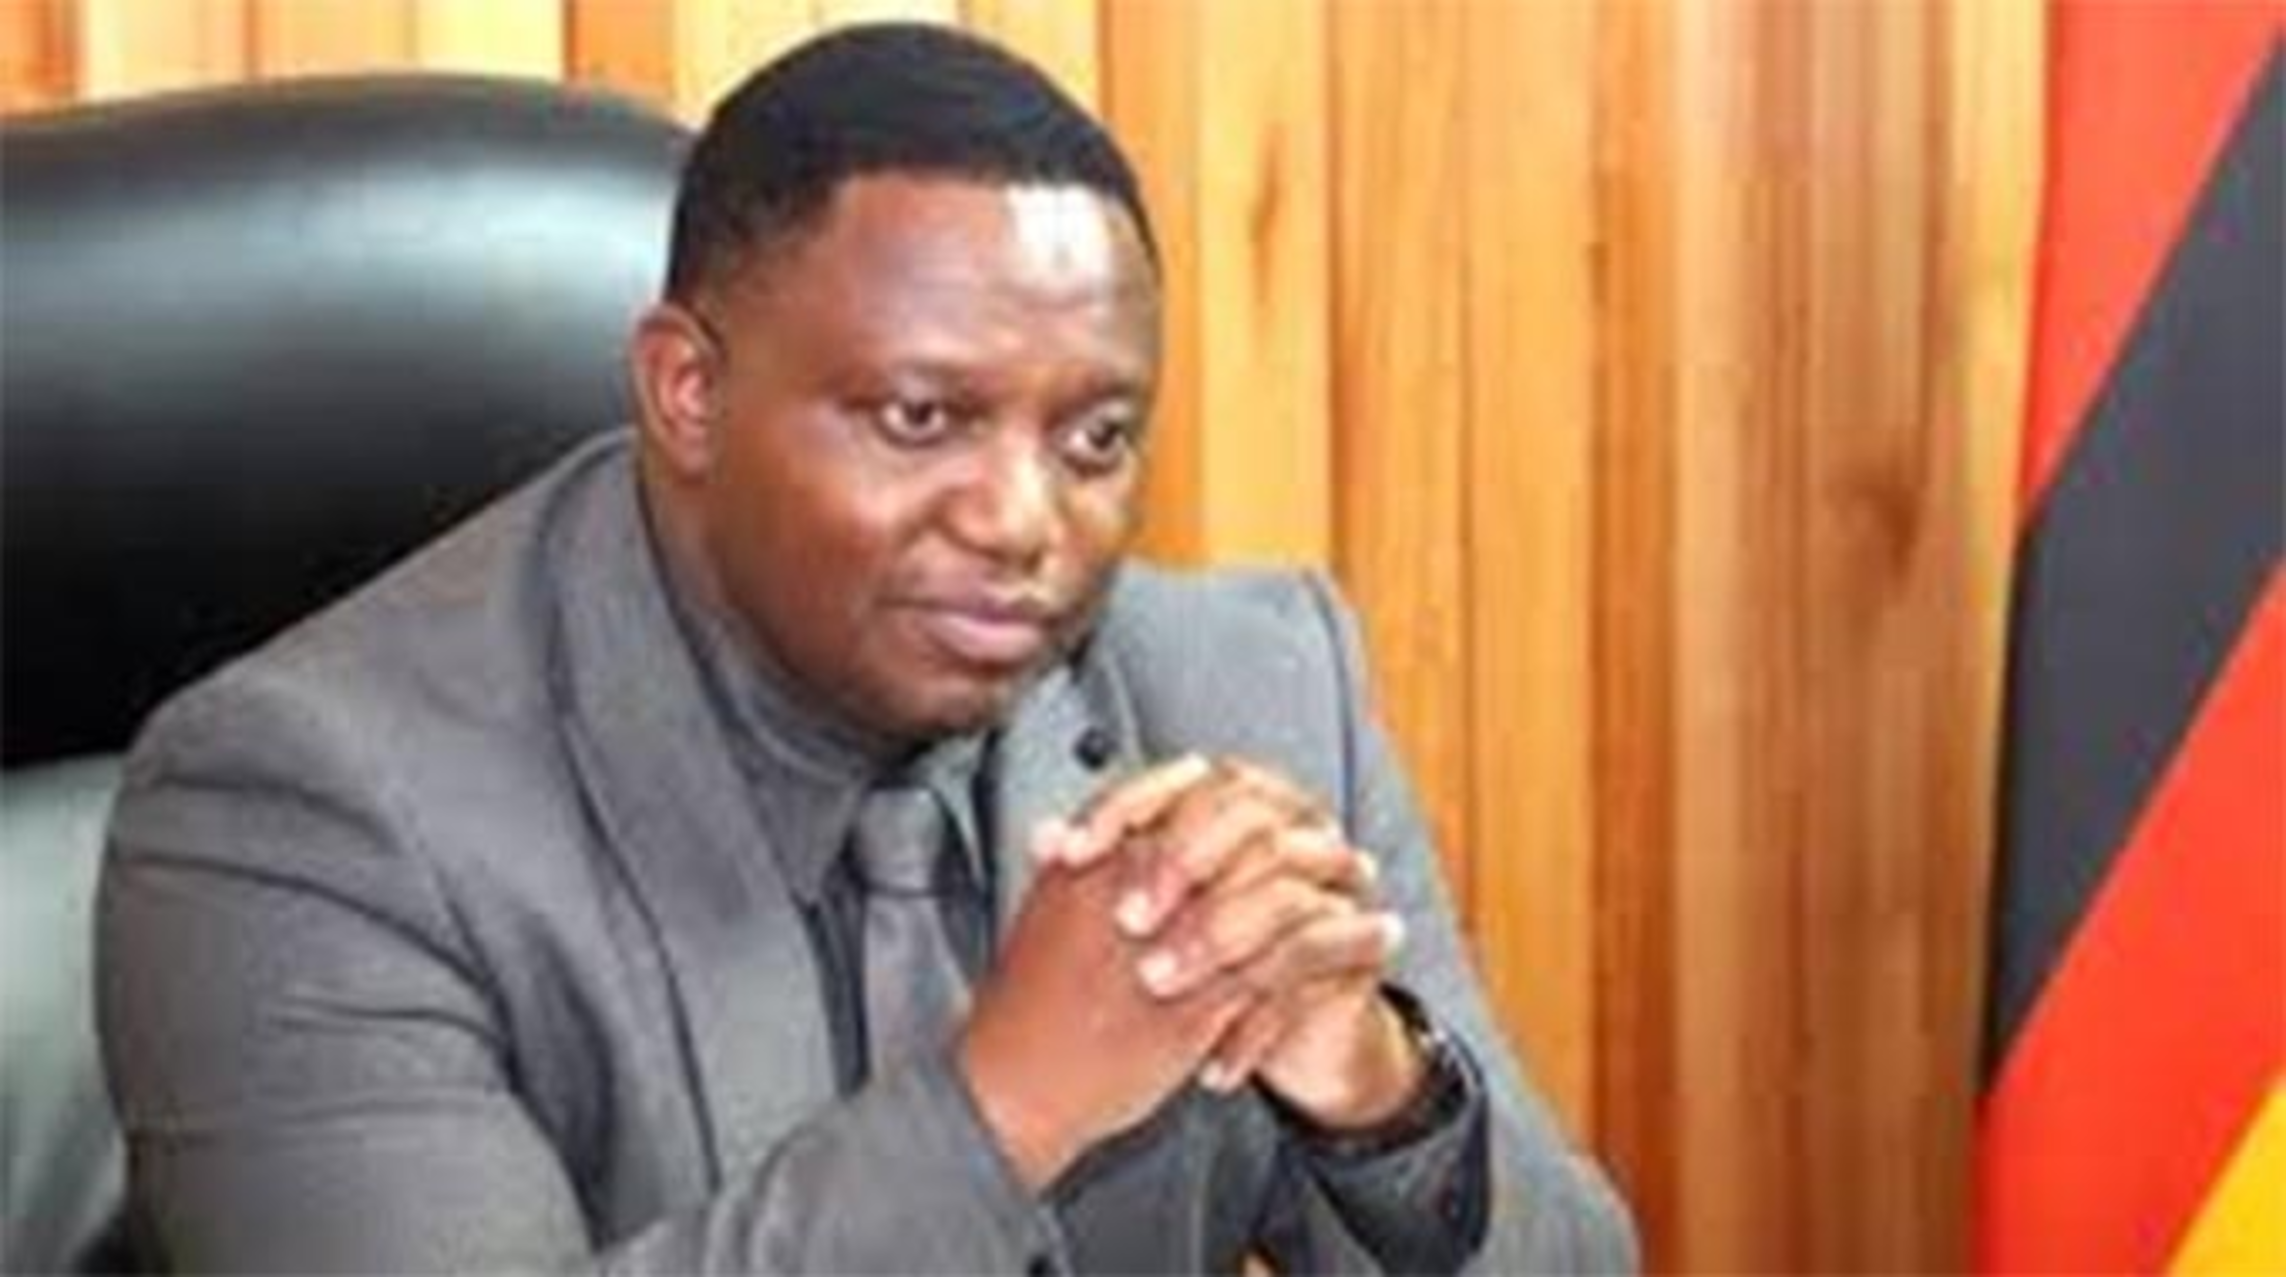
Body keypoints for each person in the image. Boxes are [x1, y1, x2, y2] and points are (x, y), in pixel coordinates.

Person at [97, 23, 1636, 1274]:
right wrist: (1006, 1103)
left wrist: (1372, 1091)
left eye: (1095, 437)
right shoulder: (306, 813)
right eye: (920, 417)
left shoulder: (1248, 691)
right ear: (687, 393)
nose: (1023, 520)